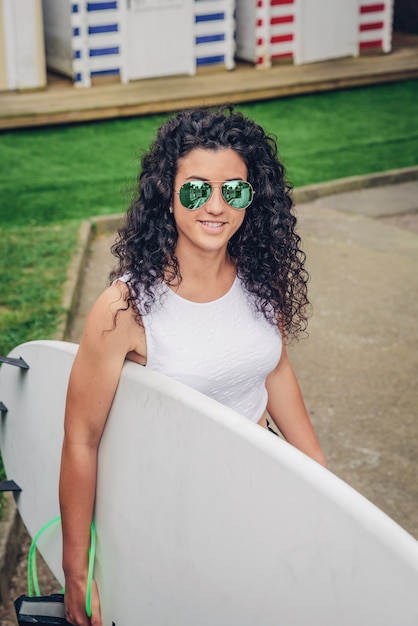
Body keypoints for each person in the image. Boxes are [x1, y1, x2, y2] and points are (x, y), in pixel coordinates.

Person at [59, 106, 326, 626]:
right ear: (168, 192)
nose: (217, 206)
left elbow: (272, 372)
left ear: (254, 198)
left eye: (235, 190)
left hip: (255, 487)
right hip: (171, 509)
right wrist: (76, 568)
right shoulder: (124, 309)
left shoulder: (260, 280)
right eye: (198, 189)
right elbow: (79, 439)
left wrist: (321, 483)